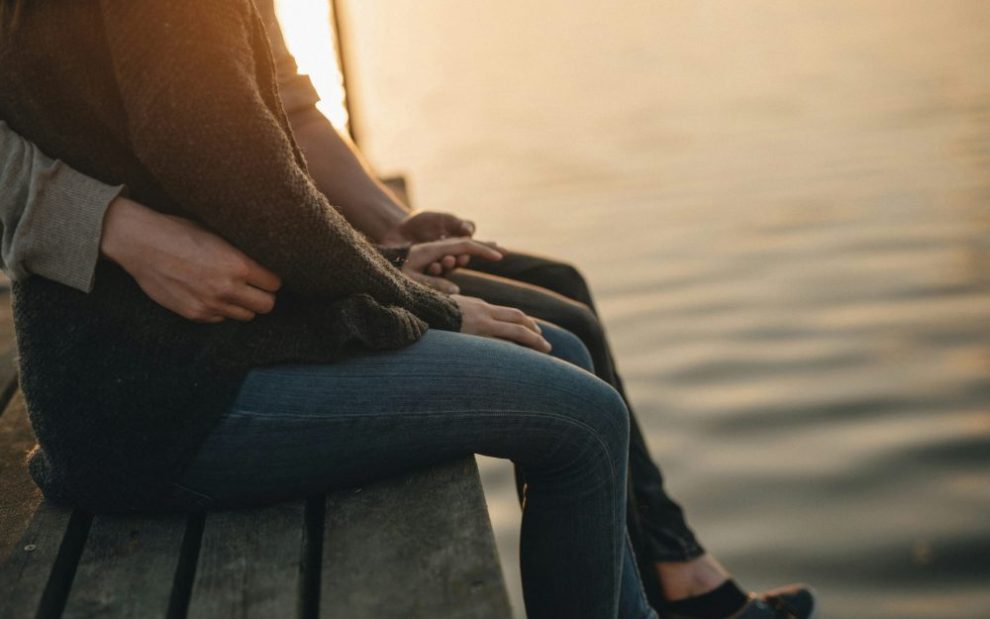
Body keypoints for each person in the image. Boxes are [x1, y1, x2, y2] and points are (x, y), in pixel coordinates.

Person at [0, 3, 815, 618]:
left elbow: (251, 150)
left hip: (192, 352)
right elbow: (228, 164)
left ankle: (672, 591)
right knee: (580, 416)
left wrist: (390, 257)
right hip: (147, 399)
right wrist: (425, 303)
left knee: (563, 351)